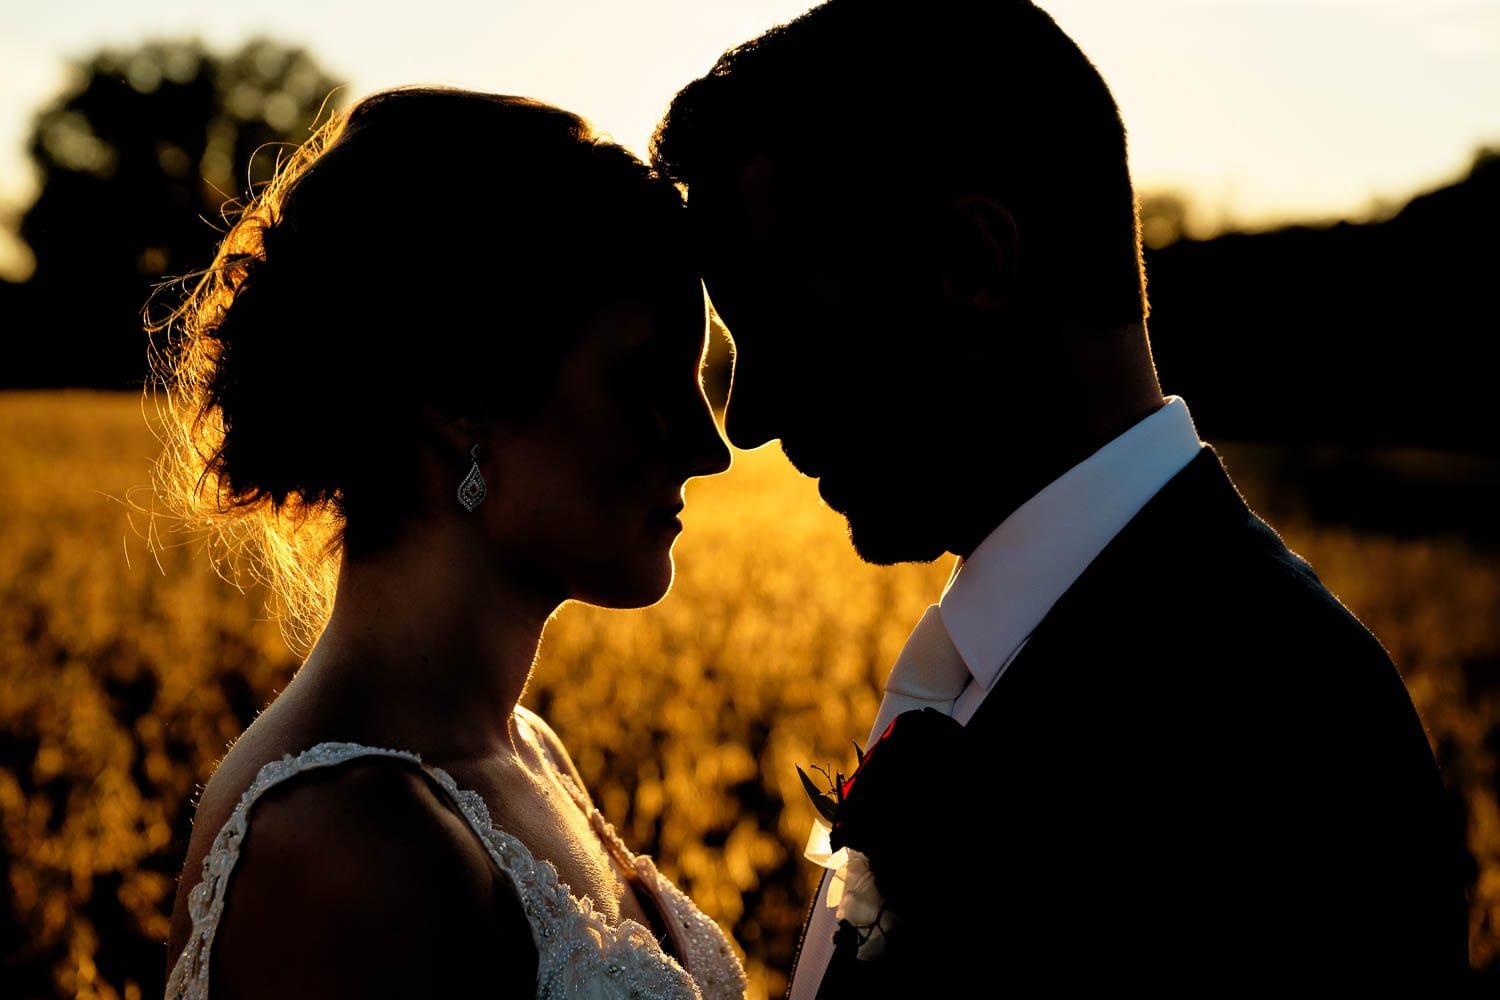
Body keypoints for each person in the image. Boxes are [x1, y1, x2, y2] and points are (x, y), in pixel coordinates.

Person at [652, 1, 1470, 993]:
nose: (747, 420)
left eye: (778, 329)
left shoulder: (1280, 723)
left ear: (972, 270)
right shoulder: (1044, 650)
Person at [156, 86, 745, 999]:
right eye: (647, 382)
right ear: (458, 400)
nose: (710, 449)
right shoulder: (344, 845)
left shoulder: (524, 748)